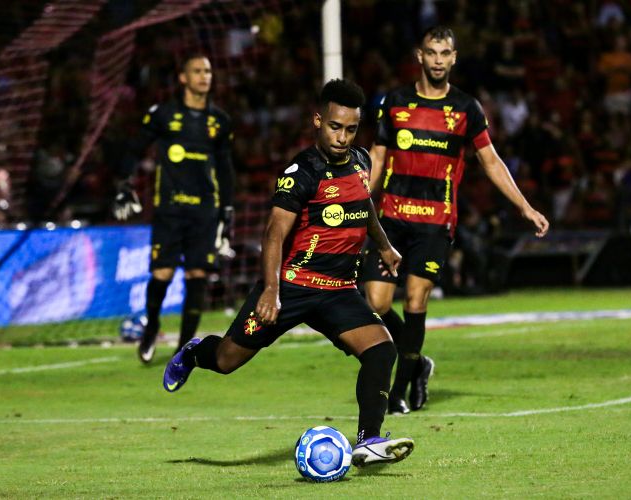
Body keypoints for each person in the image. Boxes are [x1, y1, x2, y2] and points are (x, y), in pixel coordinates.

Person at [162, 79, 414, 467]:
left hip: (338, 292)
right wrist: (270, 290)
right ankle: (196, 353)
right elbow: (274, 233)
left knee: (381, 350)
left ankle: (368, 440)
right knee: (227, 360)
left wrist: (383, 245)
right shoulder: (301, 173)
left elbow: (365, 206)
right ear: (318, 120)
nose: (342, 137)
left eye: (350, 129)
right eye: (335, 127)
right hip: (292, 287)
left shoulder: (362, 161)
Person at [362, 26, 549, 415]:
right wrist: (358, 203)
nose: (438, 61)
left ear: (454, 58)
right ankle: (418, 364)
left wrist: (524, 207)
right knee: (376, 303)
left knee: (415, 299)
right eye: (431, 53)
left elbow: (491, 161)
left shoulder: (466, 108)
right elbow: (377, 159)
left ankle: (398, 391)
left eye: (445, 53)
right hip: (392, 218)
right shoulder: (394, 103)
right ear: (420, 55)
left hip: (434, 221)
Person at [113, 54, 235, 364]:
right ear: (183, 77)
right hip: (169, 209)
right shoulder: (164, 114)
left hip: (205, 211)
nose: (204, 76)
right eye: (197, 71)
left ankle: (184, 349)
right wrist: (124, 183)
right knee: (162, 274)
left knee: (197, 275)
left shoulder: (219, 121)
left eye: (207, 70)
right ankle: (151, 326)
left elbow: (225, 169)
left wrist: (228, 209)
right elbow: (133, 148)